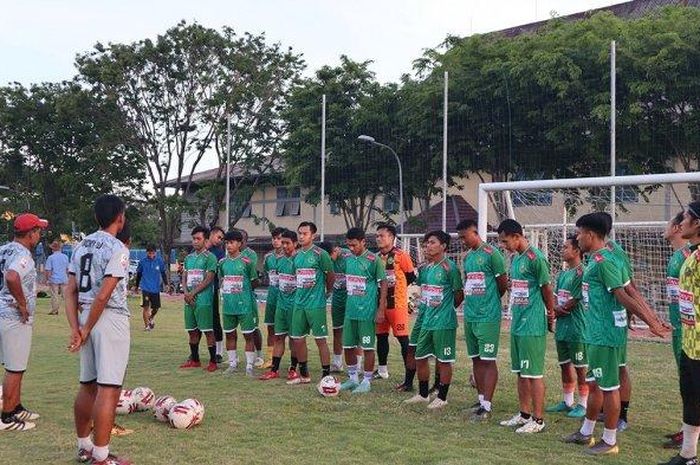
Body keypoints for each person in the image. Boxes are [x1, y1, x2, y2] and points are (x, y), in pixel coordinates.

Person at [563, 213, 669, 455]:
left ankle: (610, 440)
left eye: (579, 234)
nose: (577, 239)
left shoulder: (603, 261)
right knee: (595, 383)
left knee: (608, 387)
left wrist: (650, 321)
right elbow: (631, 289)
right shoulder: (606, 257)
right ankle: (586, 432)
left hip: (605, 334)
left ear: (590, 235)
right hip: (599, 332)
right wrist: (651, 317)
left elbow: (624, 294)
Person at [65, 195, 132, 464]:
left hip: (83, 316)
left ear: (96, 217)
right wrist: (87, 327)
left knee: (87, 385)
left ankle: (84, 446)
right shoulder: (118, 248)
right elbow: (104, 295)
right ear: (120, 217)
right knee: (108, 388)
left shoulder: (80, 246)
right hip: (109, 318)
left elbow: (70, 290)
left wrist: (77, 328)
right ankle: (101, 456)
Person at [497, 219, 555, 434]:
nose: (503, 245)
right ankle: (524, 414)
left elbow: (547, 289)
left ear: (517, 236)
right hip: (517, 322)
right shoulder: (516, 259)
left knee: (533, 373)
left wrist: (550, 314)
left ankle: (538, 420)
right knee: (521, 371)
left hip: (532, 323)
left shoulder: (536, 258)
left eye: (505, 241)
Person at [660, 203, 700, 465]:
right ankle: (687, 455)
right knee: (691, 398)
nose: (680, 223)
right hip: (689, 341)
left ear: (697, 223)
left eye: (685, 218)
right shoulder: (691, 255)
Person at [403, 230, 463, 409]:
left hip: (443, 322)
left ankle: (442, 397)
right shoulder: (426, 268)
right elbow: (419, 291)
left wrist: (446, 309)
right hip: (425, 320)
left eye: (432, 242)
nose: (427, 246)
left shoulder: (450, 268)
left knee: (444, 360)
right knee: (420, 356)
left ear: (443, 246)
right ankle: (423, 394)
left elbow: (459, 294)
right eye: (426, 243)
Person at [0, 213, 48, 432]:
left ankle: (15, 406)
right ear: (31, 234)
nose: (39, 235)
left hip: (2, 311)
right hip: (12, 316)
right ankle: (7, 416)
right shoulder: (23, 255)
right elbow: (11, 276)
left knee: (15, 364)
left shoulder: (4, 249)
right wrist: (21, 303)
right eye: (38, 231)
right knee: (15, 366)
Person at [457, 219, 507, 422]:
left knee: (487, 359)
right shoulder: (467, 257)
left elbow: (502, 284)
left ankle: (487, 404)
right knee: (476, 358)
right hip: (470, 315)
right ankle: (479, 400)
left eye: (464, 236)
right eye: (459, 237)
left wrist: (489, 303)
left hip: (488, 315)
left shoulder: (492, 254)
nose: (462, 241)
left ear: (475, 232)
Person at [337, 228, 388, 394]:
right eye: (349, 245)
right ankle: (352, 378)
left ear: (363, 242)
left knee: (367, 347)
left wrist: (381, 308)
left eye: (354, 245)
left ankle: (366, 380)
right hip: (350, 311)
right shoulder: (348, 259)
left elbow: (384, 284)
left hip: (367, 312)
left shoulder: (374, 260)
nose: (351, 248)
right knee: (349, 346)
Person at [546, 235, 588, 419]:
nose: (562, 250)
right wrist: (555, 308)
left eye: (565, 247)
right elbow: (555, 295)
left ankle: (583, 404)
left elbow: (576, 299)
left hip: (577, 327)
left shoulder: (582, 272)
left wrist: (559, 310)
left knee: (581, 367)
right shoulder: (563, 273)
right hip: (562, 327)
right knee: (564, 365)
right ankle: (567, 401)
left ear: (577, 251)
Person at [288, 221, 335, 384]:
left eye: (305, 233)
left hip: (316, 305)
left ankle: (326, 375)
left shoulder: (321, 254)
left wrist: (327, 292)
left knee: (320, 340)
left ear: (313, 235)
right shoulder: (296, 255)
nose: (301, 236)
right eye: (299, 233)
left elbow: (330, 276)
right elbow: (297, 278)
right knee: (298, 339)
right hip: (299, 304)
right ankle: (304, 375)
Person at [663, 211, 692, 448]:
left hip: (689, 329)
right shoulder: (676, 257)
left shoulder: (689, 256)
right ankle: (686, 427)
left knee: (691, 381)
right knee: (685, 381)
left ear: (675, 229)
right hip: (677, 326)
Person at [374, 223, 416, 382]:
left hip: (397, 305)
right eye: (377, 236)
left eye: (382, 236)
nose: (378, 239)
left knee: (403, 339)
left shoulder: (401, 255)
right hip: (380, 306)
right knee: (381, 337)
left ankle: (409, 377)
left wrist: (400, 291)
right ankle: (382, 370)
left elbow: (411, 277)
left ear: (392, 237)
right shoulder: (376, 258)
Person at [218, 231, 260, 376]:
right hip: (228, 306)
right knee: (230, 335)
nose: (229, 245)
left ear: (239, 244)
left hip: (245, 305)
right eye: (227, 243)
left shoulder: (247, 262)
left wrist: (244, 292)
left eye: (232, 242)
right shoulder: (222, 263)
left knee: (248, 335)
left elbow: (254, 281)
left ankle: (249, 366)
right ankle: (232, 364)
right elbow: (222, 280)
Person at [260, 229, 300, 381]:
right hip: (280, 306)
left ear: (295, 244)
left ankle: (293, 368)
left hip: (295, 306)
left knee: (295, 338)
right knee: (278, 337)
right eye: (282, 242)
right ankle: (274, 369)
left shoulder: (300, 260)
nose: (283, 246)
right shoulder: (278, 261)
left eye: (287, 243)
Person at [180, 226, 218, 372]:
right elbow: (184, 276)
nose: (195, 241)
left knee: (208, 330)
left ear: (206, 240)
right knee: (192, 330)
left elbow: (209, 279)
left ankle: (213, 361)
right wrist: (185, 292)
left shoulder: (210, 258)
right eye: (193, 239)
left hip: (203, 300)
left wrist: (193, 293)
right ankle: (195, 360)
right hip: (189, 299)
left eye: (198, 239)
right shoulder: (189, 258)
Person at [326, 242, 352, 373]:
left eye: (330, 256)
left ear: (335, 250)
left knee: (353, 331)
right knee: (337, 331)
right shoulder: (328, 260)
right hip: (337, 299)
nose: (329, 260)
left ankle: (356, 366)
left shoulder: (349, 257)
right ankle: (337, 363)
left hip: (350, 299)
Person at [262, 228, 285, 369]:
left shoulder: (290, 257)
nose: (276, 241)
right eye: (274, 238)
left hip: (285, 298)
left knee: (285, 330)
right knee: (270, 327)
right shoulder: (268, 258)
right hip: (271, 297)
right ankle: (270, 358)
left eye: (279, 238)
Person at [133, 245, 168, 331]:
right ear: (147, 252)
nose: (151, 254)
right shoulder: (142, 262)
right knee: (146, 307)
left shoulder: (159, 261)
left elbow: (163, 273)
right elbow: (139, 275)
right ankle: (147, 326)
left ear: (155, 252)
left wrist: (166, 284)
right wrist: (137, 286)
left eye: (153, 252)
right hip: (145, 287)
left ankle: (151, 317)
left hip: (155, 288)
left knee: (155, 308)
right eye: (149, 252)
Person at [207, 226, 225, 363]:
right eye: (219, 237)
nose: (220, 240)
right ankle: (193, 352)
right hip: (197, 290)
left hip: (212, 289)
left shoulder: (219, 253)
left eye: (222, 239)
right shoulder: (198, 251)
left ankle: (219, 351)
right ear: (211, 235)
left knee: (214, 319)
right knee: (198, 321)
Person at [45, 239, 69, 315]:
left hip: (54, 278)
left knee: (54, 295)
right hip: (64, 278)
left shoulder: (51, 258)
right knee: (65, 296)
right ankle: (70, 310)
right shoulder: (65, 257)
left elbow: (48, 270)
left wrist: (47, 279)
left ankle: (55, 310)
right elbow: (67, 269)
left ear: (53, 249)